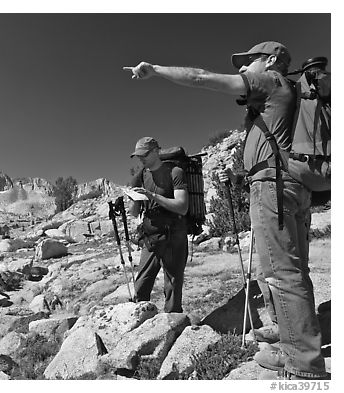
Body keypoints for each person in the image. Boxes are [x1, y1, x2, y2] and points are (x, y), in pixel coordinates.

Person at [123, 42, 327, 380]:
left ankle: (304, 363)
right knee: (291, 266)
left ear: (272, 61)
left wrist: (155, 70)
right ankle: (289, 335)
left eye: (250, 61)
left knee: (282, 272)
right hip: (289, 184)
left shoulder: (271, 81)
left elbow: (201, 77)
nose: (243, 69)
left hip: (273, 189)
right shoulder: (289, 93)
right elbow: (279, 147)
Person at [128, 136, 189, 313]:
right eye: (138, 156)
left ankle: (174, 322)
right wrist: (134, 199)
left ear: (156, 151)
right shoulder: (139, 177)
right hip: (151, 236)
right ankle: (140, 321)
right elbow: (134, 212)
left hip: (174, 235)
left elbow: (182, 207)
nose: (141, 159)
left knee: (173, 284)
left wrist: (153, 196)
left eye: (144, 154)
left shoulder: (175, 172)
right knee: (141, 283)